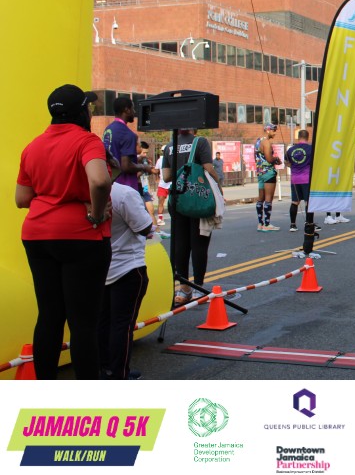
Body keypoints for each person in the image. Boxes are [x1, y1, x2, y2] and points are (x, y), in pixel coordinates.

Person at [17, 84, 111, 379]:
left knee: (49, 316)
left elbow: (21, 198)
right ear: (81, 112)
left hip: (37, 236)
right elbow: (100, 181)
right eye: (89, 108)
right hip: (81, 237)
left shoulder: (33, 146)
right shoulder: (87, 141)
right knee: (83, 323)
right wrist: (97, 213)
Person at [99, 176, 152, 379]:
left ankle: (104, 369)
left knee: (102, 323)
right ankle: (119, 374)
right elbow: (144, 227)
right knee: (122, 325)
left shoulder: (80, 193)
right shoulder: (123, 193)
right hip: (128, 266)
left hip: (100, 267)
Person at [161, 130, 221, 305]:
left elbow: (166, 176)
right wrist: (218, 186)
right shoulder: (200, 142)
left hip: (178, 200)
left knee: (180, 244)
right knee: (199, 243)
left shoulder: (170, 146)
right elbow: (208, 168)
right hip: (197, 199)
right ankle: (198, 288)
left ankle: (184, 289)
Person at [102, 96, 154, 194]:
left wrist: (138, 159)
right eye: (133, 109)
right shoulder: (128, 134)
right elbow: (126, 166)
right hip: (125, 188)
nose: (134, 112)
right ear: (127, 110)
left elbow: (115, 155)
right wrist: (144, 167)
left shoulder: (108, 129)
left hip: (110, 186)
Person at [254, 122, 282, 231]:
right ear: (268, 130)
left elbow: (257, 157)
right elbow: (269, 159)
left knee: (260, 199)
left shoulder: (258, 142)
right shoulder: (266, 142)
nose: (275, 133)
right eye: (273, 131)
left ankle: (260, 224)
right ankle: (267, 224)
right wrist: (276, 159)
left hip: (260, 173)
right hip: (268, 173)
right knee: (268, 199)